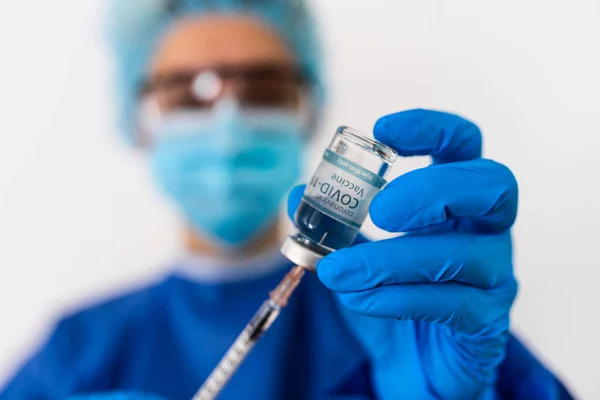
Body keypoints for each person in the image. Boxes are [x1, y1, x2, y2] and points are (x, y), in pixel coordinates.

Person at [1, 1, 574, 399]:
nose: (227, 120)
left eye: (263, 88)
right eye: (188, 92)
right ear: (139, 121)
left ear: (308, 110)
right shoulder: (78, 351)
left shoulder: (409, 313)